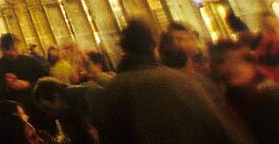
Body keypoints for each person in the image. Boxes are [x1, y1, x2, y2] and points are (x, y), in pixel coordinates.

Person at [89, 18, 244, 144]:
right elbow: (219, 126)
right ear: (154, 45)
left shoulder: (110, 91)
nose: (181, 44)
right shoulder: (181, 81)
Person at [211, 41, 279, 143]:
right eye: (222, 62)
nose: (229, 66)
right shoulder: (229, 97)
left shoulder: (269, 96)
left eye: (237, 61)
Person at [0, 34, 51, 134]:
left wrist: (28, 84)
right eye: (8, 50)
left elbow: (46, 81)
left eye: (15, 49)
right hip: (14, 113)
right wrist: (5, 84)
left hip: (35, 108)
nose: (12, 53)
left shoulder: (30, 61)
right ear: (2, 50)